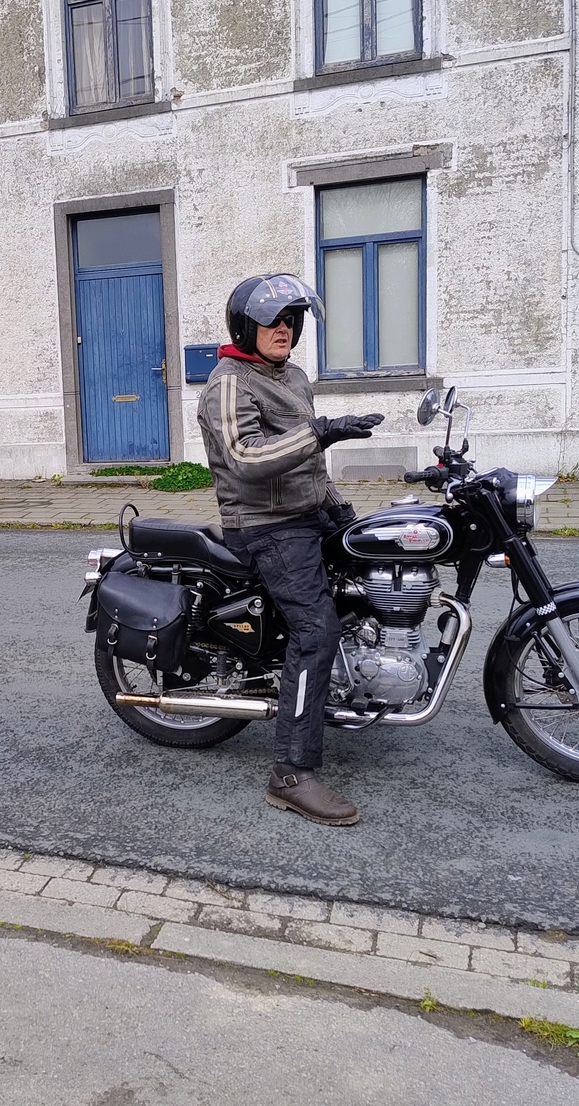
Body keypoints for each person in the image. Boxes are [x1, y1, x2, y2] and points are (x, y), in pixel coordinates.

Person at [196, 275, 383, 826]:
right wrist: (321, 432)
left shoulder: (292, 376)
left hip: (307, 514)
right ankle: (291, 773)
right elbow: (246, 458)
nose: (284, 329)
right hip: (266, 525)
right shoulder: (227, 384)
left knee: (373, 573)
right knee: (315, 630)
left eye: (291, 320)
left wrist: (343, 513)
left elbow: (309, 467)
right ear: (245, 326)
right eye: (273, 320)